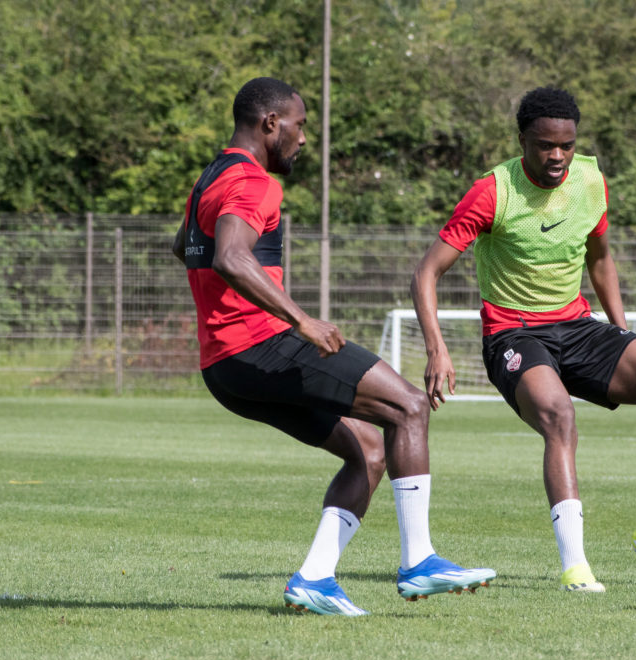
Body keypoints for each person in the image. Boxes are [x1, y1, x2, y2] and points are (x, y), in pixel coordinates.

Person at [173, 77, 495, 616]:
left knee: (368, 449)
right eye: (299, 126)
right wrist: (300, 321)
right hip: (262, 346)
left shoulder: (211, 176)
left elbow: (184, 246)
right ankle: (420, 562)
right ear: (270, 123)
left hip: (223, 367)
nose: (303, 139)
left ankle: (315, 578)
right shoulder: (253, 181)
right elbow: (230, 256)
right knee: (410, 406)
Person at [410, 86, 636, 593]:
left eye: (566, 145)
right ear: (522, 141)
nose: (557, 156)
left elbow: (600, 258)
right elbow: (425, 273)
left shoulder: (590, 179)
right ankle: (576, 567)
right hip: (513, 333)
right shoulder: (493, 191)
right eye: (545, 145)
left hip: (577, 326)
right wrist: (437, 349)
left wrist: (620, 328)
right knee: (559, 417)